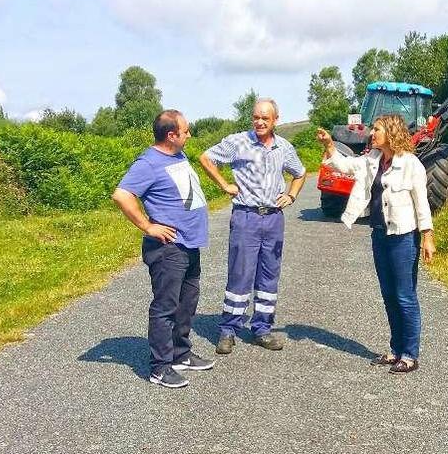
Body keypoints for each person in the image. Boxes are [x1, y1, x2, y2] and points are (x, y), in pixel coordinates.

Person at [315, 114, 436, 374]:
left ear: (391, 132)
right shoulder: (373, 159)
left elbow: (422, 202)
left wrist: (427, 236)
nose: (372, 133)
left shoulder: (411, 164)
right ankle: (395, 350)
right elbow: (345, 166)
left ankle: (410, 354)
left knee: (405, 296)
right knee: (389, 295)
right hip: (379, 234)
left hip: (404, 237)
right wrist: (329, 146)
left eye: (377, 129)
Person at [112, 109, 213, 388]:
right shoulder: (148, 163)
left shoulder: (176, 154)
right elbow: (121, 195)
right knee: (165, 307)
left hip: (189, 244)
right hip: (169, 248)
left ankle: (180, 354)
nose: (189, 135)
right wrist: (148, 226)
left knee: (187, 302)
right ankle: (160, 367)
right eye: (186, 131)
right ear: (172, 135)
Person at [199, 98, 306, 354]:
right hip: (246, 217)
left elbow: (300, 173)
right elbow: (206, 158)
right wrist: (224, 185)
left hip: (273, 219)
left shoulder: (284, 147)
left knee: (269, 274)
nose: (259, 122)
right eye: (256, 117)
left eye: (265, 118)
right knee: (240, 273)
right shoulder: (238, 142)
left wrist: (291, 196)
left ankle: (262, 329)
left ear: (275, 120)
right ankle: (228, 330)